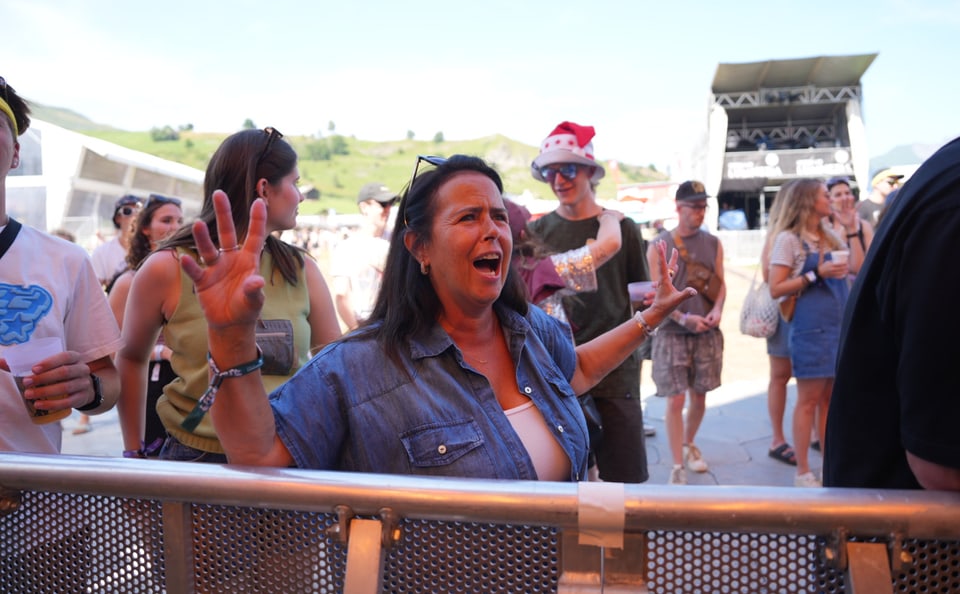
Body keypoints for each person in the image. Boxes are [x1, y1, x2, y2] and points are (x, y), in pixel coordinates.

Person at [178, 154, 695, 479]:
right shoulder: (358, 368)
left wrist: (651, 317)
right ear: (419, 246)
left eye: (497, 215)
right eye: (469, 217)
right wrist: (228, 336)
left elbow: (576, 370)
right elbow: (257, 454)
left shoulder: (527, 329)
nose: (493, 230)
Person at [114, 127, 342, 461]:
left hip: (286, 457)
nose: (301, 195)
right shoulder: (167, 267)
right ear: (264, 189)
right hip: (196, 461)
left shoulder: (301, 268)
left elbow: (333, 367)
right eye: (295, 183)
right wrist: (133, 451)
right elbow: (131, 357)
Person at [825, 137, 960, 491]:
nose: (842, 199)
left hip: (860, 310)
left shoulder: (865, 221)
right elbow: (939, 465)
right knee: (809, 392)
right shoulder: (950, 200)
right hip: (904, 528)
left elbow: (858, 262)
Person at [525, 122, 653, 483]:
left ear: (589, 173)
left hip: (616, 365)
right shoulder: (538, 232)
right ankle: (579, 542)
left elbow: (638, 291)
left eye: (568, 169)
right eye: (550, 171)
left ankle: (620, 542)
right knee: (568, 475)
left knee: (624, 478)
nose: (559, 179)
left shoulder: (622, 227)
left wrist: (645, 332)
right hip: (559, 366)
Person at [0, 75, 122, 454]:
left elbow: (107, 379)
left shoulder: (65, 260)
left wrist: (87, 389)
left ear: (16, 152)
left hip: (29, 494)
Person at [768, 178, 857, 487]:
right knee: (808, 400)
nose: (829, 199)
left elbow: (854, 265)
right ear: (808, 201)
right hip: (809, 331)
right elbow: (776, 287)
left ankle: (830, 465)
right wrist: (814, 273)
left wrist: (849, 227)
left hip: (836, 328)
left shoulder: (828, 235)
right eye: (823, 195)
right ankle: (803, 471)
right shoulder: (788, 240)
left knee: (831, 400)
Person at [647, 181, 726, 485]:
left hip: (707, 330)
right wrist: (684, 319)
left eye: (703, 206)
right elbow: (656, 295)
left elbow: (720, 284)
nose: (700, 212)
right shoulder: (659, 245)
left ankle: (688, 442)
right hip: (673, 332)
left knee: (701, 394)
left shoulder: (714, 242)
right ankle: (677, 464)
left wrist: (717, 310)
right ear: (679, 207)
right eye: (695, 206)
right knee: (676, 399)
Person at [106, 193, 184, 454]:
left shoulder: (190, 276)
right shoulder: (128, 281)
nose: (175, 227)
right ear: (146, 229)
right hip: (150, 385)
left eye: (179, 220)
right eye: (166, 220)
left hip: (187, 385)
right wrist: (162, 352)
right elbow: (113, 349)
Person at [760, 181, 797, 467]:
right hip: (785, 314)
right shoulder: (777, 236)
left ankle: (808, 436)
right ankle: (777, 439)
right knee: (780, 376)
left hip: (803, 316)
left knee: (814, 382)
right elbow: (767, 277)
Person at [331, 182, 398, 330]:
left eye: (390, 204)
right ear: (364, 207)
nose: (388, 209)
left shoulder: (399, 242)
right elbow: (342, 296)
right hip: (365, 325)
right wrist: (358, 332)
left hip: (396, 328)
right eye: (383, 203)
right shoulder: (346, 248)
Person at [91, 193, 143, 288]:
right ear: (118, 218)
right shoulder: (102, 252)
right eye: (127, 211)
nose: (134, 216)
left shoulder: (152, 250)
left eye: (139, 211)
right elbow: (93, 291)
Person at [825, 176, 873, 275]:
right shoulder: (824, 227)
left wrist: (851, 229)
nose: (844, 198)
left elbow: (867, 265)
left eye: (847, 193)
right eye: (838, 195)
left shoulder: (863, 226)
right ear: (829, 200)